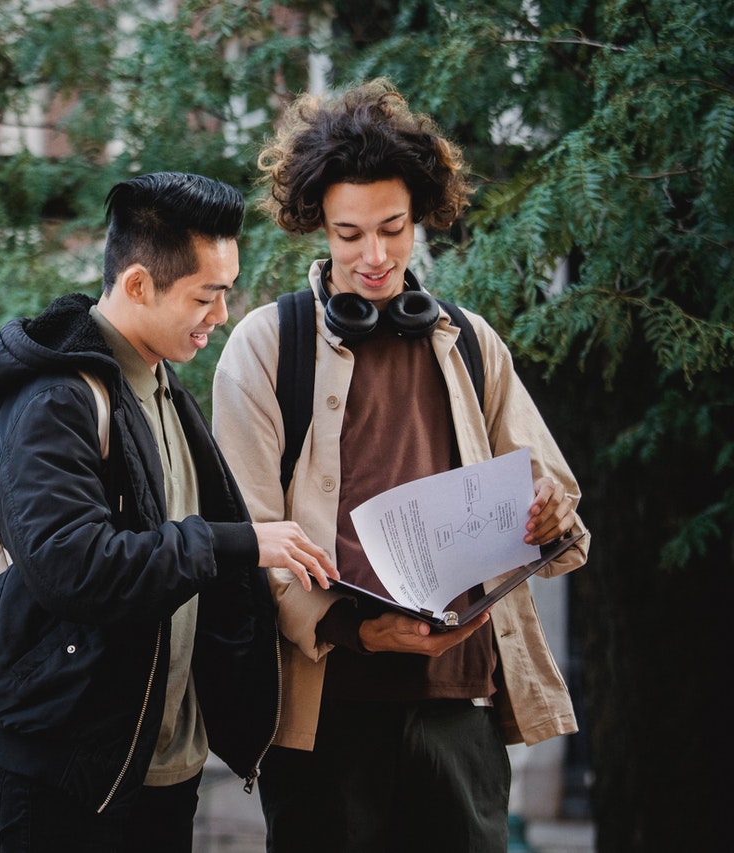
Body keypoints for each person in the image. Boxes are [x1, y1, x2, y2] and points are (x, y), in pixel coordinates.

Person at [211, 79, 591, 852]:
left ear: (422, 215)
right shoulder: (263, 345)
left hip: (462, 704)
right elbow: (244, 541)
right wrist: (359, 628)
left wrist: (549, 511)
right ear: (318, 224)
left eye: (393, 227)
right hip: (327, 711)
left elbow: (557, 506)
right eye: (350, 235)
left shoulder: (473, 342)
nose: (375, 256)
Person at [0, 171, 338, 853]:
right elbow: (75, 566)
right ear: (136, 285)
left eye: (226, 292)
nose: (221, 315)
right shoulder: (53, 400)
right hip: (66, 768)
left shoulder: (161, 387)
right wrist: (238, 543)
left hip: (161, 766)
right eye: (205, 296)